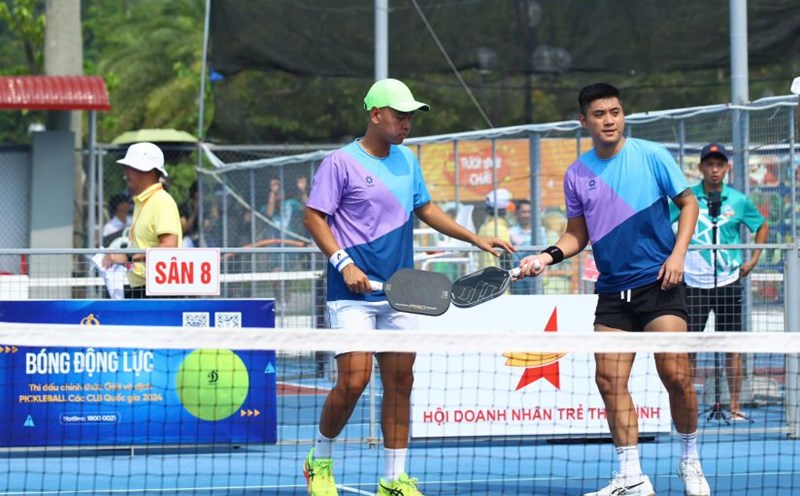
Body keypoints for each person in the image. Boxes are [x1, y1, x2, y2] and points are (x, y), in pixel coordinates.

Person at [302, 78, 514, 496]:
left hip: (401, 292)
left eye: (410, 118)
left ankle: (393, 479)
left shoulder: (408, 161)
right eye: (399, 116)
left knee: (401, 381)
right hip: (352, 295)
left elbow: (426, 208)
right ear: (375, 114)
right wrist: (343, 263)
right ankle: (319, 461)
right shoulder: (340, 163)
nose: (406, 124)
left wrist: (473, 238)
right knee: (354, 381)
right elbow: (313, 217)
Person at [518, 83, 710, 496]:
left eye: (616, 112)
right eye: (600, 114)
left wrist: (677, 255)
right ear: (583, 121)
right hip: (613, 292)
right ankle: (631, 477)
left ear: (623, 115)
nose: (609, 120)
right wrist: (545, 257)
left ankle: (690, 461)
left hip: (660, 284)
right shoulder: (577, 174)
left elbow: (689, 204)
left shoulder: (652, 156)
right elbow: (576, 235)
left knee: (676, 376)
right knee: (608, 379)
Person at [670, 143, 769, 420]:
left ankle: (734, 405)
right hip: (692, 283)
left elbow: (761, 226)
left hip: (728, 281)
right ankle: (686, 404)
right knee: (689, 348)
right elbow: (663, 223)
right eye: (709, 164)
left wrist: (753, 259)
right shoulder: (686, 198)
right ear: (701, 167)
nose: (714, 170)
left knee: (731, 347)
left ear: (726, 168)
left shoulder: (738, 200)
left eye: (719, 164)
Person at [102, 142, 182, 298]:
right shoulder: (145, 201)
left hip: (158, 291)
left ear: (148, 171)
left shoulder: (161, 201)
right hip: (144, 287)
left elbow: (169, 246)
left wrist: (128, 257)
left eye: (131, 167)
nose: (125, 173)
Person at [477, 188, 513, 270]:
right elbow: (505, 256)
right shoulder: (500, 228)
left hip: (485, 271)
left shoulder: (484, 226)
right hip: (497, 274)